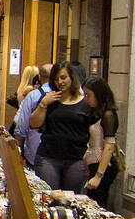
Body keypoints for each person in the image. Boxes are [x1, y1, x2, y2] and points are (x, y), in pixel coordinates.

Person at [29, 61, 93, 191]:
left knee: (70, 201)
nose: (60, 82)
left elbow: (93, 131)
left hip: (76, 159)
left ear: (72, 78)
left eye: (63, 77)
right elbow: (34, 123)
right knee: (48, 198)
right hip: (49, 158)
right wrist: (43, 104)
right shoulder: (48, 99)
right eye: (56, 79)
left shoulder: (84, 103)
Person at [81, 76, 120, 206]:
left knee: (97, 203)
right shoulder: (97, 112)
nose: (86, 99)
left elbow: (108, 147)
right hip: (94, 163)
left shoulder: (108, 115)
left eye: (88, 95)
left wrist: (99, 175)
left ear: (99, 94)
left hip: (102, 166)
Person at [13, 64, 53, 164]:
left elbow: (22, 124)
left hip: (34, 148)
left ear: (39, 76)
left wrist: (17, 150)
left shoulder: (33, 95)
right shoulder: (63, 95)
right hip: (57, 151)